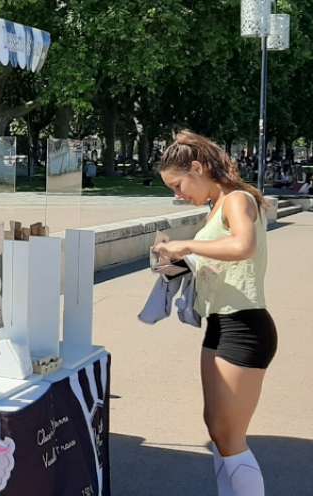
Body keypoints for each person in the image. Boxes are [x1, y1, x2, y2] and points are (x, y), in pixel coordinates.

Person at [153, 130, 276, 496]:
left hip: (243, 324)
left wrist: (186, 244)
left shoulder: (237, 199)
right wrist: (179, 262)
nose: (178, 194)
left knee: (228, 435)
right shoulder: (219, 206)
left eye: (178, 185)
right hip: (222, 324)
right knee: (218, 430)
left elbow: (243, 245)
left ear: (197, 168)